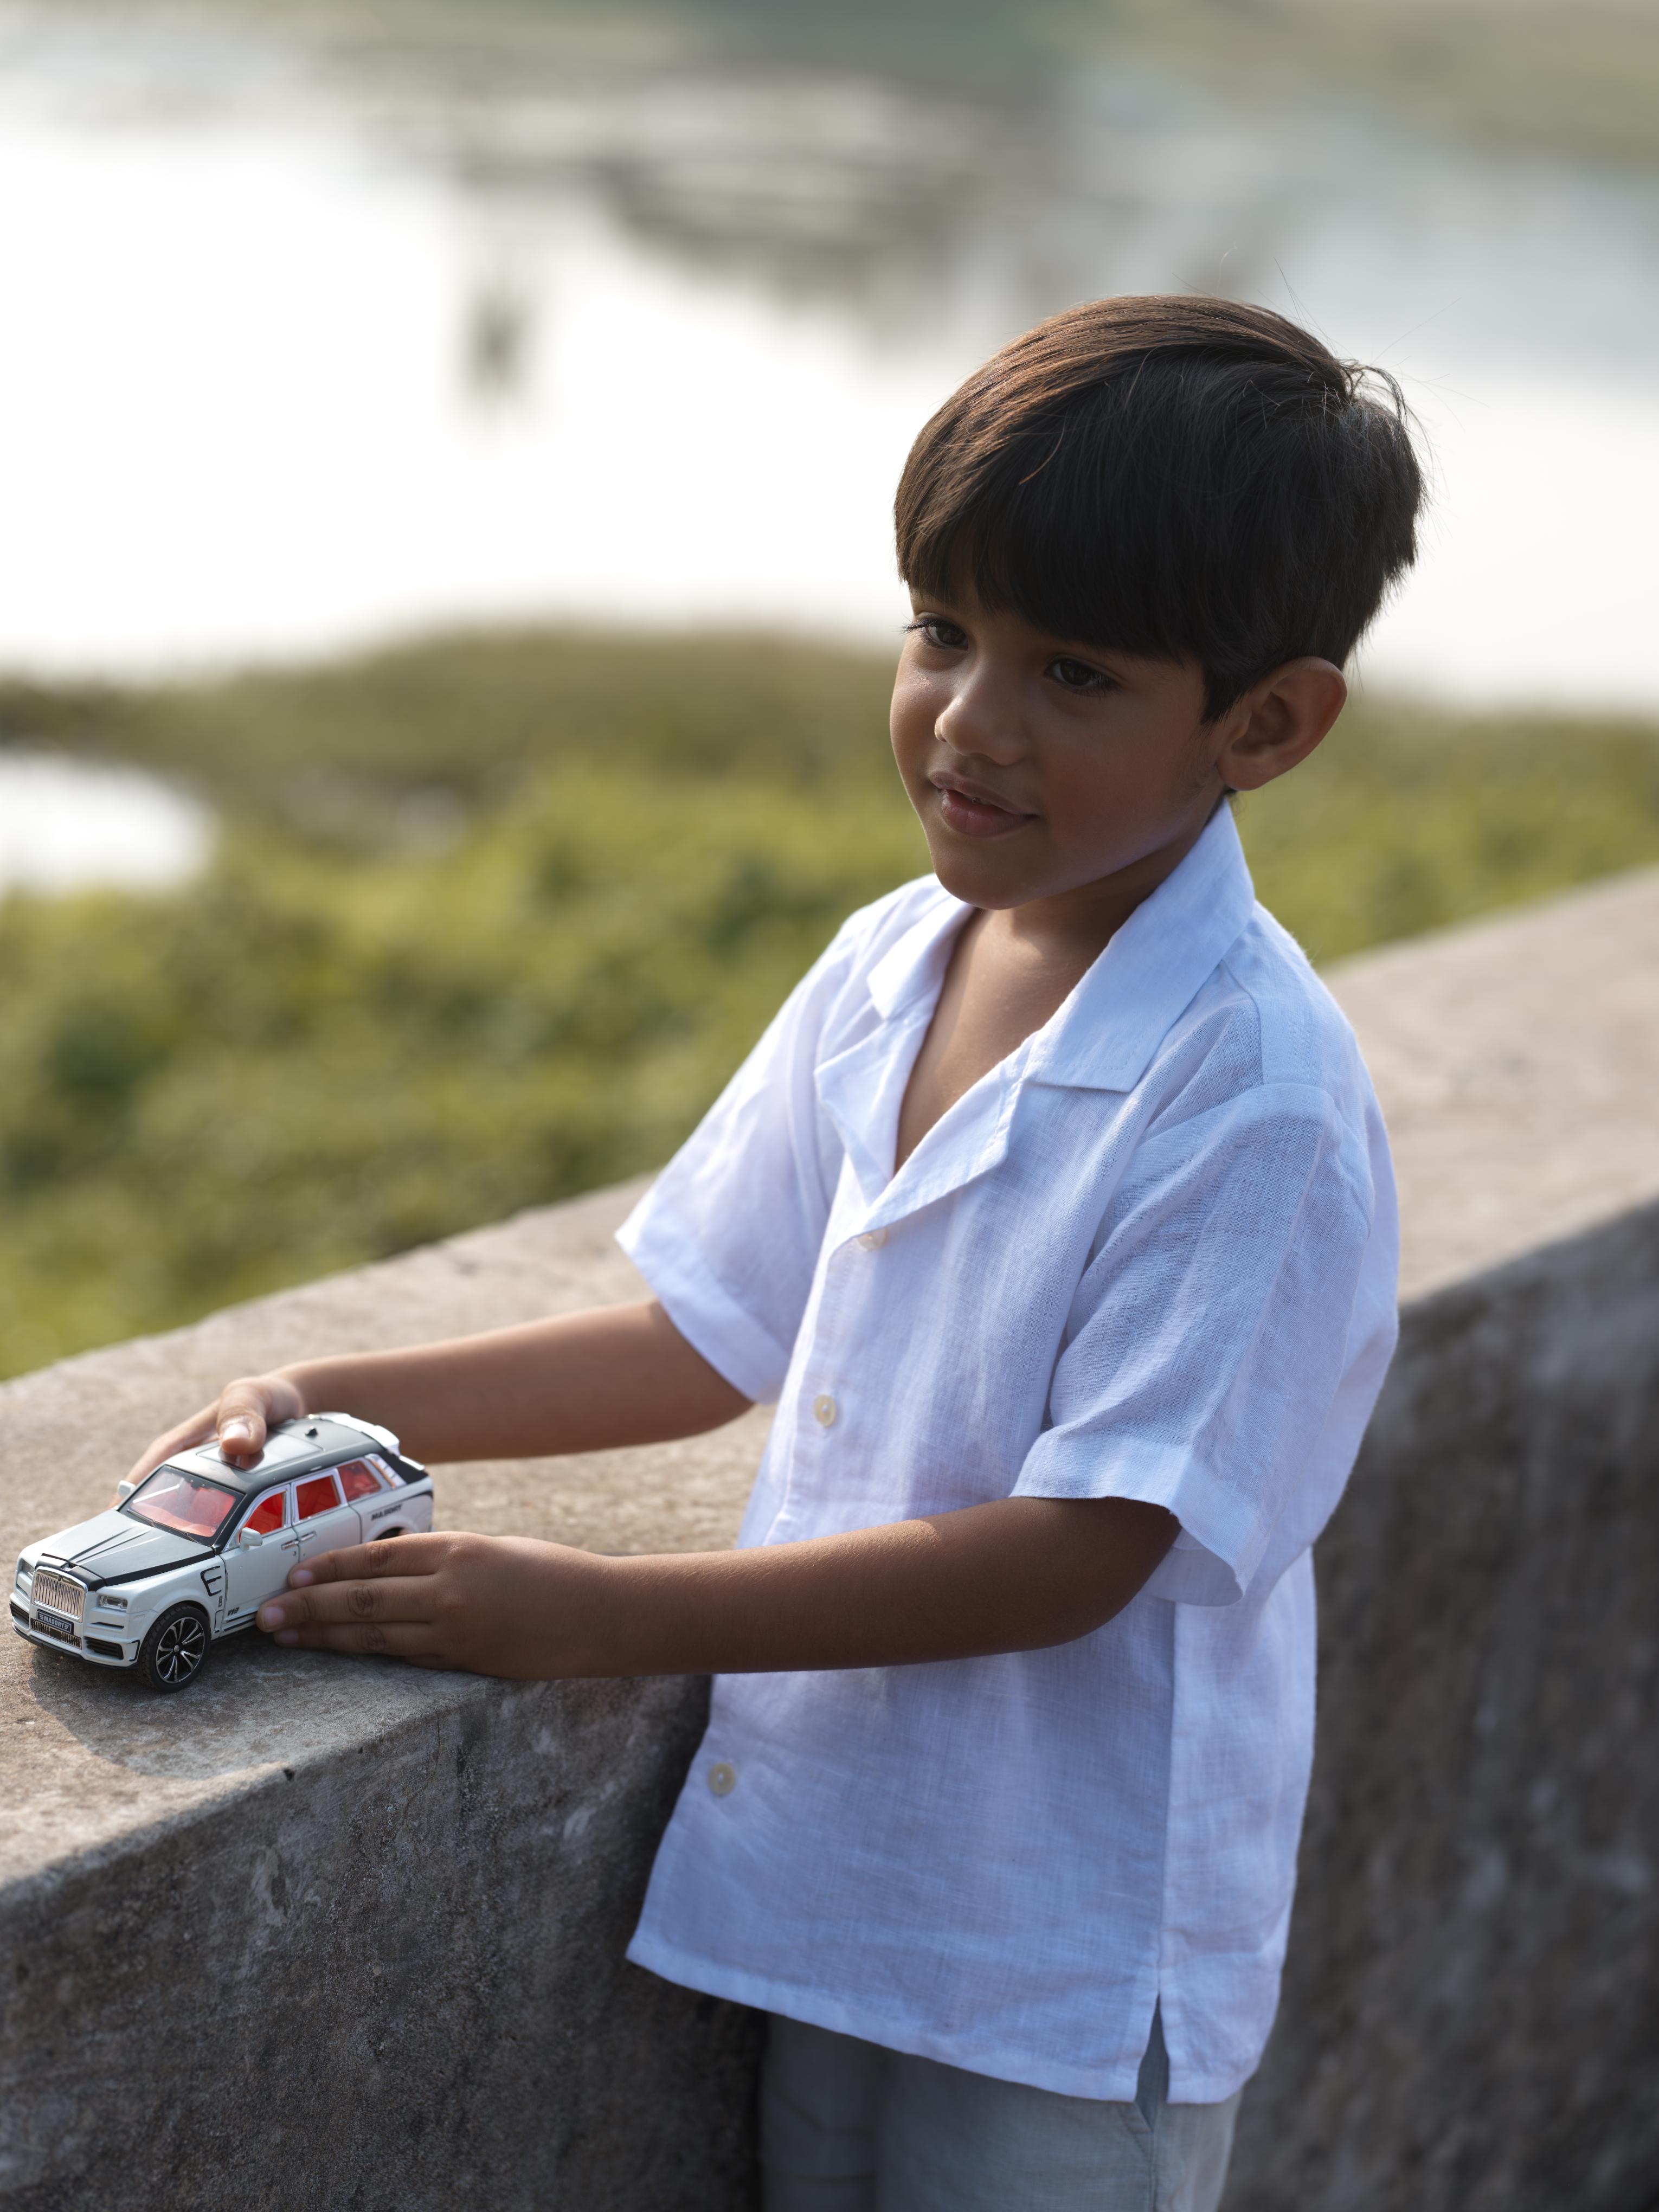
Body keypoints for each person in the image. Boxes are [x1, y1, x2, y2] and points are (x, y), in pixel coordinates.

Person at [131, 295, 1422, 2211]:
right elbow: (703, 1329)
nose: (968, 721)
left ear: (1269, 722)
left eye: (1073, 672)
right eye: (941, 632)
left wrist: (602, 1618)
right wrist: (334, 1393)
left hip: (1056, 1959)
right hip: (830, 1881)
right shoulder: (892, 960)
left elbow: (1091, 1548)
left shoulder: (1253, 1096)